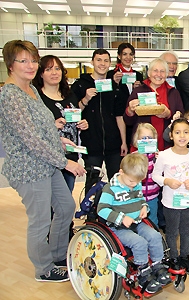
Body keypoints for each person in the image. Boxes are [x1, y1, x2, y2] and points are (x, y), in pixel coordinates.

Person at [0, 40, 86, 282]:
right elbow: (29, 139)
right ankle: (43, 269)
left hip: (47, 164)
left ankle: (59, 255)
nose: (30, 65)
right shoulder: (10, 95)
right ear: (10, 64)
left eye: (33, 60)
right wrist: (65, 162)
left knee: (66, 207)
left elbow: (42, 129)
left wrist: (60, 141)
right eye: (23, 60)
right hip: (28, 169)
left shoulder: (32, 90)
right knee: (40, 220)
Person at [97, 153, 171, 294]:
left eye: (137, 182)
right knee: (139, 243)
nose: (134, 185)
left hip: (137, 222)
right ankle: (143, 272)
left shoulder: (135, 184)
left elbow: (141, 200)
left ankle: (157, 266)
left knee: (155, 236)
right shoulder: (110, 189)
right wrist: (121, 218)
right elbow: (102, 210)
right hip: (118, 227)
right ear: (121, 172)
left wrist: (144, 207)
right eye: (131, 181)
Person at [71, 49, 127, 194]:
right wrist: (85, 99)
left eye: (106, 61)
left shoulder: (114, 85)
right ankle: (91, 212)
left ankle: (114, 212)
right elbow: (73, 112)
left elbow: (119, 116)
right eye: (99, 60)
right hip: (91, 142)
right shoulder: (80, 85)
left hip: (113, 143)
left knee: (117, 180)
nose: (102, 64)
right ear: (92, 62)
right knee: (92, 181)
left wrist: (123, 141)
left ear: (110, 64)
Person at [153, 119, 189, 276]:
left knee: (186, 230)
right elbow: (155, 175)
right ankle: (173, 258)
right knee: (172, 231)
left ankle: (185, 257)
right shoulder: (164, 155)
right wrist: (166, 181)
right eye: (177, 132)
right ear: (171, 135)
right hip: (170, 202)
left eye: (185, 132)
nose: (182, 136)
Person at [33, 55, 89, 192]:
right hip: (49, 157)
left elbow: (75, 116)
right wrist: (51, 125)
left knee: (66, 200)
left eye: (57, 68)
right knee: (51, 203)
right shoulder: (36, 98)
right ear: (41, 74)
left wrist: (83, 124)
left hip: (71, 154)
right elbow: (30, 129)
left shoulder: (69, 95)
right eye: (49, 69)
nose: (54, 73)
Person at [124, 58, 184, 151]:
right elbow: (128, 121)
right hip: (143, 144)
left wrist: (169, 114)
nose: (158, 75)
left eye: (162, 71)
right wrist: (130, 111)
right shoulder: (138, 91)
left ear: (167, 74)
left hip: (166, 144)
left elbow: (181, 118)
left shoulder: (173, 92)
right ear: (148, 73)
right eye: (155, 71)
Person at [107, 43, 144, 149]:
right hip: (117, 117)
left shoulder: (138, 75)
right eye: (124, 54)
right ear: (119, 56)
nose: (128, 57)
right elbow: (108, 96)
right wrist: (114, 83)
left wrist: (138, 88)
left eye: (131, 54)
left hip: (133, 117)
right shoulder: (111, 74)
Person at [130, 123, 160, 226]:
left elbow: (162, 174)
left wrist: (159, 160)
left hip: (152, 196)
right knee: (136, 220)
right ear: (137, 140)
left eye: (150, 138)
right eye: (143, 138)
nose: (146, 141)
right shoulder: (133, 157)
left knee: (153, 221)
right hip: (136, 197)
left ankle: (154, 239)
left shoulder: (157, 157)